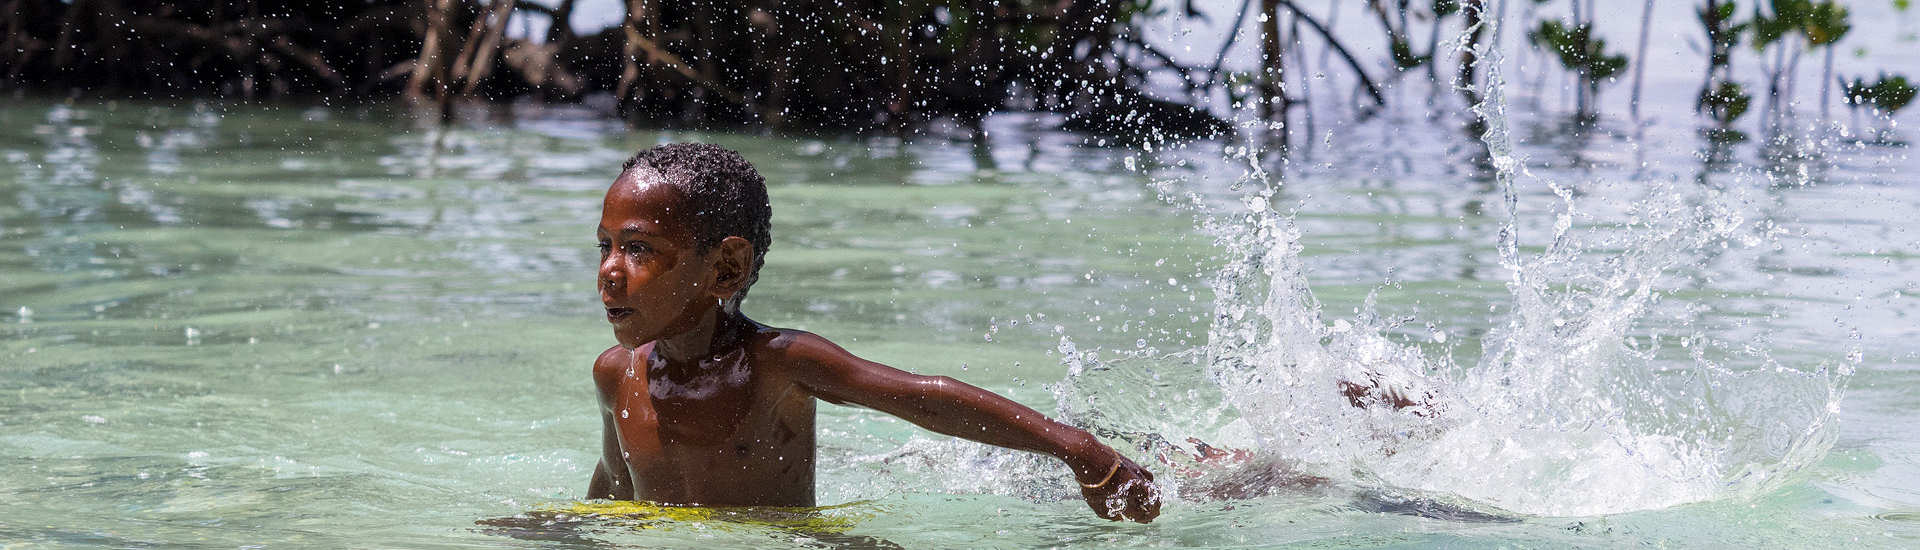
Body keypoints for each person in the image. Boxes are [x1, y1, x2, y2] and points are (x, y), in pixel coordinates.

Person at [584, 143, 1160, 523]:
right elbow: (612, 492)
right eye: (605, 246)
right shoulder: (616, 375)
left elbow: (923, 399)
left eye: (638, 249)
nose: (610, 269)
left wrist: (1082, 452)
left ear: (725, 269)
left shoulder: (778, 363)